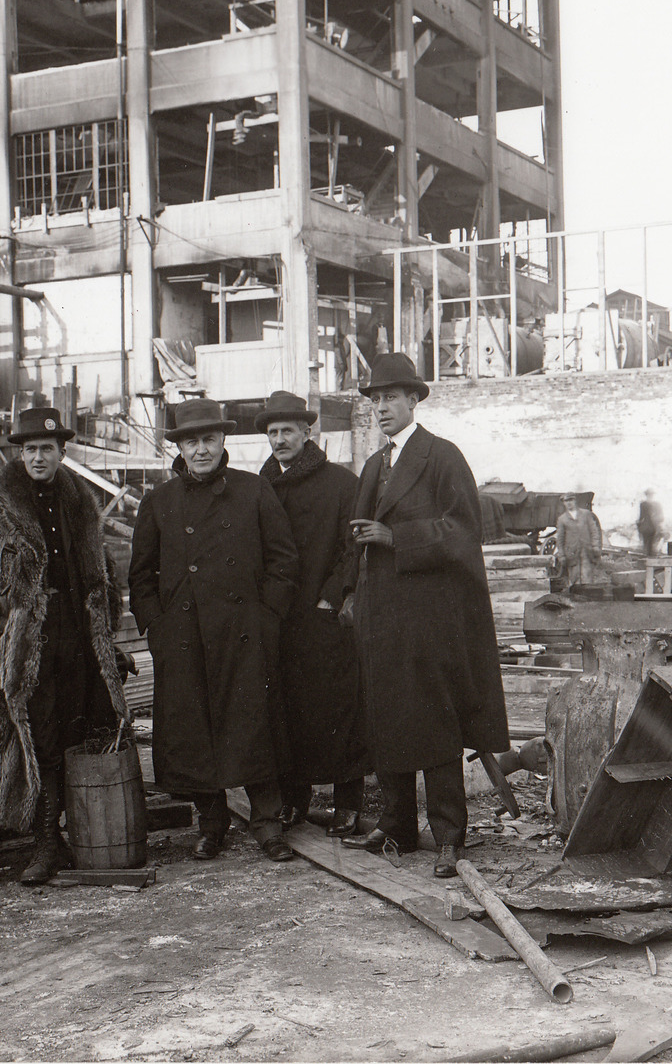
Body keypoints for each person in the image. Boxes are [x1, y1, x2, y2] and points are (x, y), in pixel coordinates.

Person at [0, 405, 129, 885]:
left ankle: (79, 832)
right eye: (29, 450)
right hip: (24, 639)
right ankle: (44, 842)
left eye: (46, 449)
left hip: (76, 636)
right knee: (36, 735)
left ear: (63, 451)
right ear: (19, 454)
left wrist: (106, 627)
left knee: (77, 728)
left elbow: (101, 570)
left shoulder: (80, 501)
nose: (38, 458)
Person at [343, 353, 510, 879]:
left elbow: (464, 531)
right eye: (374, 401)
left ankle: (449, 838)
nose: (381, 409)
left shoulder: (441, 456)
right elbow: (355, 537)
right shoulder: (373, 466)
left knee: (436, 723)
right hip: (382, 616)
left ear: (414, 400)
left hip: (431, 618)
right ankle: (396, 826)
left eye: (390, 398)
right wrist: (351, 591)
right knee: (388, 716)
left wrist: (398, 537)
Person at [130, 398, 300, 863]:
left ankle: (268, 825)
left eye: (208, 440)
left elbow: (283, 561)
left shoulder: (253, 491)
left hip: (244, 633)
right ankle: (212, 823)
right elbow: (140, 576)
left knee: (253, 728)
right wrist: (157, 627)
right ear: (180, 447)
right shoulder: (159, 502)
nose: (201, 450)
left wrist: (267, 616)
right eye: (191, 442)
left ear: (223, 441)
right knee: (196, 732)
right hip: (184, 636)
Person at [256, 389, 367, 836]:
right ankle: (294, 802)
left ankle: (347, 804)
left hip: (323, 616)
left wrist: (331, 596)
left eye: (288, 430)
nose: (280, 439)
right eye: (272, 432)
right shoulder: (258, 486)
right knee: (286, 712)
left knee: (339, 708)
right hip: (279, 618)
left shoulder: (341, 484)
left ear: (307, 431)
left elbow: (353, 547)